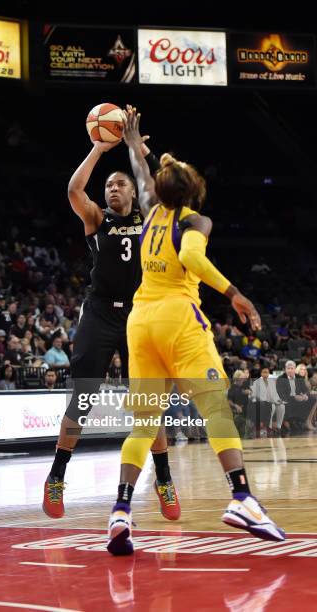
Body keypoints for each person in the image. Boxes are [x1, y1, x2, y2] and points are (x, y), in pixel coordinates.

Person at [107, 109, 284, 555]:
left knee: (144, 425)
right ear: (195, 193)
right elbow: (193, 260)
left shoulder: (148, 209)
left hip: (139, 322)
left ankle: (121, 511)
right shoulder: (194, 221)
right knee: (216, 409)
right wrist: (235, 293)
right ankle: (242, 498)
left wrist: (132, 143)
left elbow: (143, 174)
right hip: (179, 319)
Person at [43, 112, 180, 522]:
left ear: (134, 192)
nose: (112, 188)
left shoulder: (151, 216)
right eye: (108, 185)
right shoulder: (97, 219)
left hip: (141, 315)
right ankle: (56, 477)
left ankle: (165, 480)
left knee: (149, 406)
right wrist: (99, 148)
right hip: (100, 313)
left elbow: (165, 186)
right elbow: (73, 188)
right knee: (82, 400)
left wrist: (141, 151)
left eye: (120, 183)